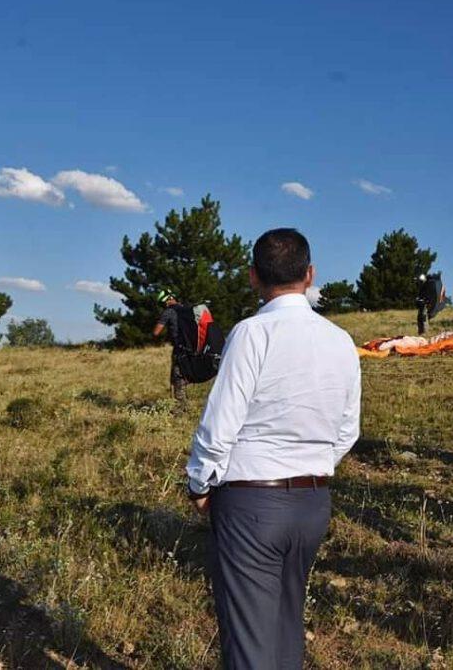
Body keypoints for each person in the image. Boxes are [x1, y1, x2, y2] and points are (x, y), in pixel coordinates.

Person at [185, 228, 361, 669]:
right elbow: (348, 430)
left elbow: (220, 422)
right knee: (285, 627)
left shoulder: (251, 333)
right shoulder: (340, 340)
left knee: (249, 641)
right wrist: (314, 463)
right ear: (310, 274)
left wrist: (199, 483)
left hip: (251, 499)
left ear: (253, 277)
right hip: (313, 500)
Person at [152, 290, 187, 411]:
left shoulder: (169, 311)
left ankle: (179, 409)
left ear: (168, 300)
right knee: (183, 376)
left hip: (179, 349)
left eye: (164, 302)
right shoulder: (185, 309)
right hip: (191, 348)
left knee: (177, 377)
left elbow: (156, 332)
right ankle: (182, 405)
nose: (164, 305)